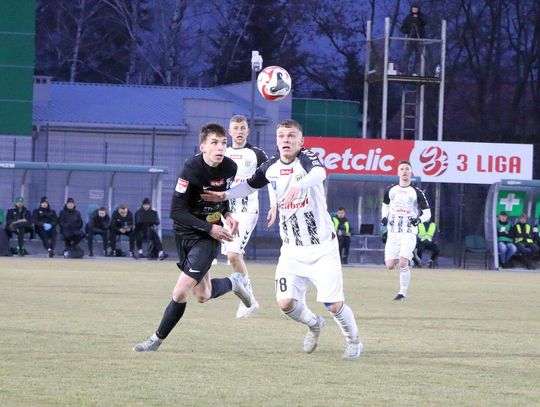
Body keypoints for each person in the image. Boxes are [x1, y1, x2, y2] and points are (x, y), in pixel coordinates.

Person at [202, 119, 363, 360]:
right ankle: (314, 324)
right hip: (291, 250)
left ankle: (353, 342)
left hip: (321, 248)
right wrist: (223, 195)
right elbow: (248, 186)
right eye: (281, 136)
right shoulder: (271, 167)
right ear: (276, 140)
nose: (286, 140)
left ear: (301, 141)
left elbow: (320, 173)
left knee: (333, 305)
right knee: (286, 303)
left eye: (291, 136)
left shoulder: (308, 159)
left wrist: (299, 185)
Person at [133, 123, 254, 353]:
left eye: (223, 143)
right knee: (202, 294)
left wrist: (227, 215)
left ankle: (155, 340)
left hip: (207, 239)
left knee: (180, 292)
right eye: (214, 143)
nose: (220, 148)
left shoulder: (229, 167)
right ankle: (234, 282)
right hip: (186, 233)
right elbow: (176, 211)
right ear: (203, 147)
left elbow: (221, 196)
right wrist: (210, 228)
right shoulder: (191, 169)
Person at [223, 114, 269, 318]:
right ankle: (249, 300)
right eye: (236, 128)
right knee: (231, 258)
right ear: (229, 131)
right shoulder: (222, 153)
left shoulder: (256, 154)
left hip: (248, 210)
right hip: (226, 211)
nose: (239, 131)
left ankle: (248, 299)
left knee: (234, 255)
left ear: (248, 131)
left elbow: (272, 178)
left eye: (243, 128)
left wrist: (275, 205)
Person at [381, 160, 431, 301]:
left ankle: (402, 293)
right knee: (390, 265)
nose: (404, 171)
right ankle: (409, 255)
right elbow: (385, 205)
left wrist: (419, 219)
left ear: (411, 173)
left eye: (407, 169)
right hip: (393, 232)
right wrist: (384, 217)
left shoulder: (416, 192)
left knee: (403, 262)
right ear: (398, 172)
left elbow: (427, 213)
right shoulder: (391, 190)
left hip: (408, 232)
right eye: (402, 169)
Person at [400, 4, 428, 75]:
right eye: (413, 8)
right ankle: (403, 70)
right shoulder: (408, 17)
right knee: (406, 55)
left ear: (418, 9)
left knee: (418, 55)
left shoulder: (421, 16)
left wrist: (417, 19)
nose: (414, 10)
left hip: (419, 39)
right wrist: (407, 30)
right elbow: (403, 28)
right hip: (410, 38)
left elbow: (425, 23)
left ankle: (416, 72)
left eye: (416, 8)